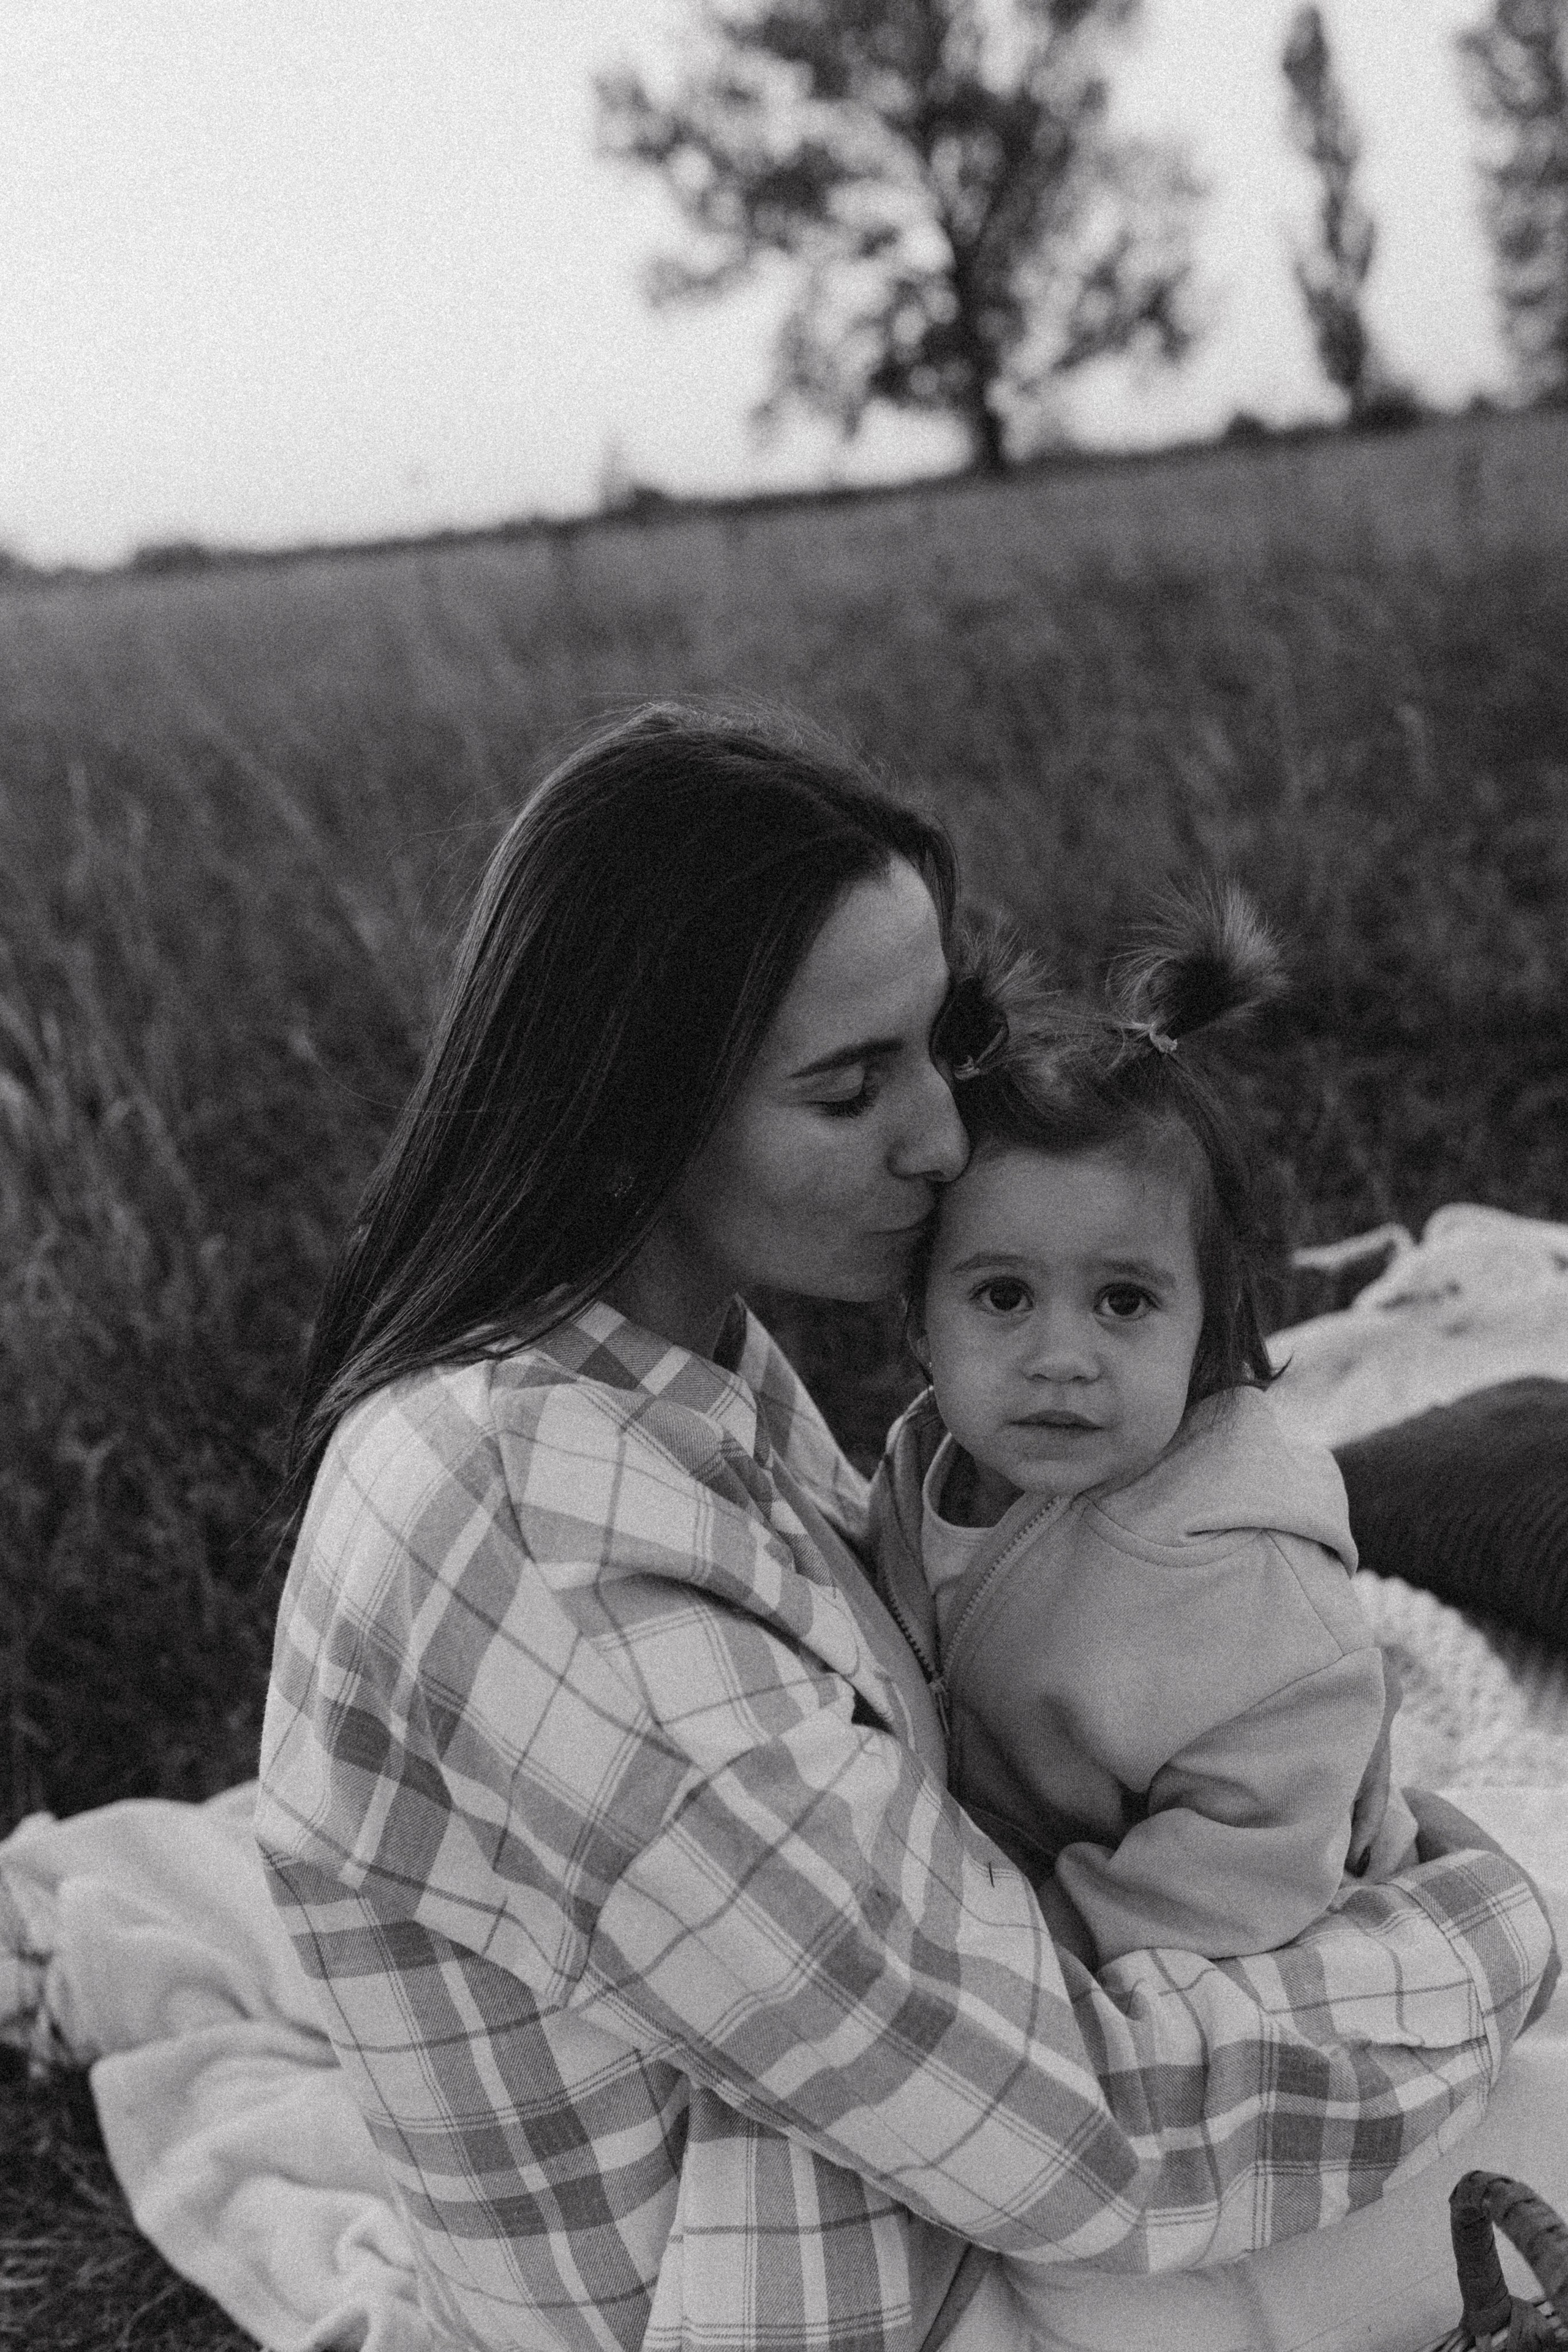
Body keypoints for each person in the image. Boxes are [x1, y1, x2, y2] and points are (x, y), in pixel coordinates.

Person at [255, 704, 1556, 2352]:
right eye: (849, 1087)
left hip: (860, 2138)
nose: (945, 1140)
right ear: (631, 1108)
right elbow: (1091, 2140)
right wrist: (1489, 1929)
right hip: (837, 2277)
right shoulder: (559, 1551)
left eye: (936, 1044)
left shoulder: (644, 1359)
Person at [870, 888, 1419, 1978]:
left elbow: (1254, 1850)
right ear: (921, 1323)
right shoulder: (925, 1465)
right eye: (1002, 1297)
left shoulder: (1237, 1580)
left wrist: (1048, 1940)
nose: (1062, 1356)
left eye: (1123, 1302)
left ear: (1208, 1327)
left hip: (1233, 1927)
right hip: (1010, 1868)